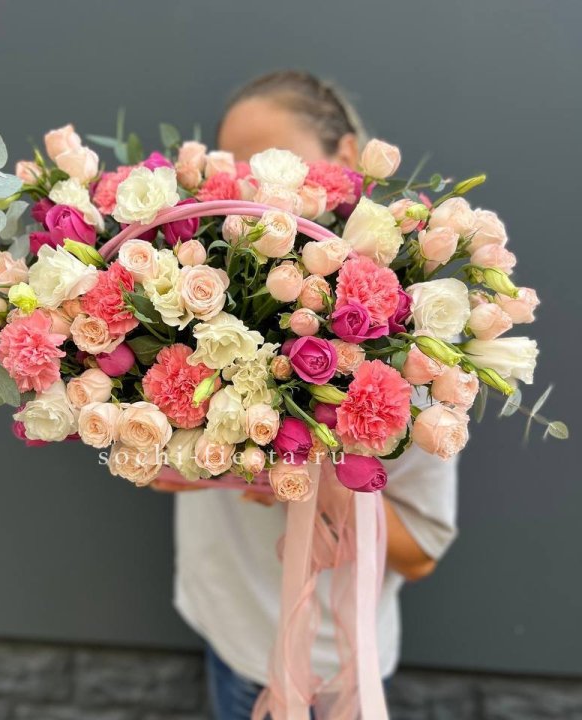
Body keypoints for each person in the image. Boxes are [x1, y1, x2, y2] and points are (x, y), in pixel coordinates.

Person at [169, 71, 459, 720]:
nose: (251, 196)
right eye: (233, 174)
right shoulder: (205, 285)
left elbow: (420, 554)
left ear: (346, 157)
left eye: (273, 167)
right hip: (224, 620)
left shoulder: (409, 344)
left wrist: (301, 474)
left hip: (329, 669)